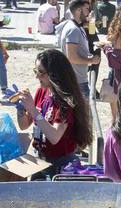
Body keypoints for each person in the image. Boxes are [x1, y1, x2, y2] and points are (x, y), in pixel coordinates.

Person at [14, 47, 91, 177]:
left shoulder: (66, 101)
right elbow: (24, 125)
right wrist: (21, 109)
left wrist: (32, 110)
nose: (36, 76)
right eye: (36, 71)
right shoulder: (41, 91)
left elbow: (54, 137)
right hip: (39, 158)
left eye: (41, 72)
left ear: (55, 73)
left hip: (60, 164)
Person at [58, 0, 102, 98]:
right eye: (86, 9)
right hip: (77, 82)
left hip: (77, 79)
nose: (89, 12)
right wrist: (91, 60)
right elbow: (72, 57)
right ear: (78, 10)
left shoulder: (77, 26)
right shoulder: (73, 29)